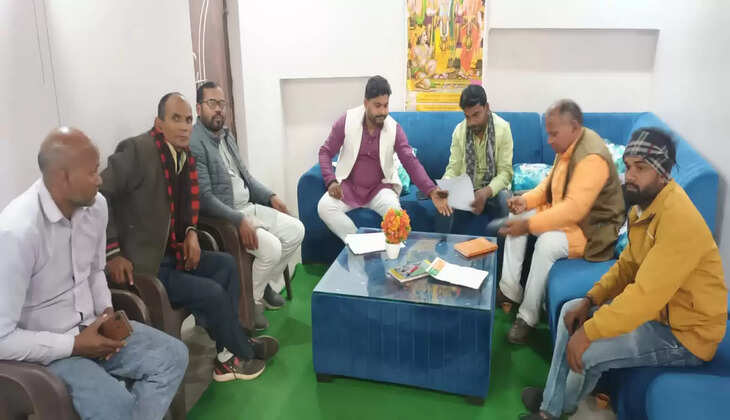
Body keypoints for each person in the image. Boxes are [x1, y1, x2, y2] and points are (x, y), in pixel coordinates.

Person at [518, 128, 727, 420]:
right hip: (659, 314)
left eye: (641, 168)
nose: (630, 176)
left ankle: (553, 411)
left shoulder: (679, 221)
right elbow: (627, 265)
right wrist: (590, 300)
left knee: (587, 350)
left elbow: (644, 297)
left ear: (663, 173)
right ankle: (554, 403)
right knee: (570, 311)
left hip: (686, 335)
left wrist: (589, 332)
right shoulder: (643, 207)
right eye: (628, 167)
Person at [0, 127, 188, 419]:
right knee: (116, 405)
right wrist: (74, 345)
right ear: (63, 178)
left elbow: (95, 271)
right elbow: (3, 338)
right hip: (48, 351)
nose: (100, 180)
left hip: (92, 328)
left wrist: (106, 314)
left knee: (172, 357)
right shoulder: (17, 231)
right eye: (92, 173)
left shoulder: (96, 207)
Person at [101, 92, 278, 382]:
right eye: (176, 119)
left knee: (226, 265)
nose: (184, 127)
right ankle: (236, 353)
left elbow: (187, 206)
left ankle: (229, 350)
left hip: (174, 255)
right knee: (212, 292)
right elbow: (100, 194)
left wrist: (191, 233)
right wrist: (113, 253)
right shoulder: (137, 150)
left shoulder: (182, 156)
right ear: (159, 123)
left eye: (187, 120)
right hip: (146, 265)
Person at [498, 99, 625, 344]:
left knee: (547, 243)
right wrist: (525, 202)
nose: (549, 140)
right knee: (518, 213)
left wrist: (530, 225)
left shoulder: (591, 158)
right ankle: (510, 290)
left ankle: (527, 318)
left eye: (553, 134)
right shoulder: (567, 146)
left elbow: (573, 210)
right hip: (567, 217)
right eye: (548, 133)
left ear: (574, 127)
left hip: (591, 230)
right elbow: (548, 185)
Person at [190, 81, 304, 331]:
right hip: (227, 218)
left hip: (249, 207)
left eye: (222, 104)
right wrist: (239, 219)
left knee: (296, 230)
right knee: (272, 248)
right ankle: (250, 303)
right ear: (199, 108)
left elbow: (247, 179)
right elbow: (205, 197)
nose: (218, 109)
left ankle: (261, 287)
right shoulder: (195, 143)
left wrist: (271, 196)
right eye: (212, 103)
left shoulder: (226, 135)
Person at [317, 75, 450, 242]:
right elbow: (325, 152)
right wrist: (331, 181)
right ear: (366, 103)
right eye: (377, 105)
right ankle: (358, 243)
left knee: (398, 220)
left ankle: (390, 253)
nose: (383, 112)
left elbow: (410, 162)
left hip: (380, 189)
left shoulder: (394, 128)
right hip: (349, 187)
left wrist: (431, 190)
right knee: (324, 207)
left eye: (386, 105)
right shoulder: (347, 121)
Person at [437, 84, 513, 235]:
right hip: (467, 190)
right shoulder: (459, 131)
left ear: (487, 108)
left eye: (476, 115)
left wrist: (485, 193)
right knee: (443, 203)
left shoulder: (503, 129)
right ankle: (445, 247)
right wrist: (445, 185)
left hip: (493, 191)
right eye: (467, 116)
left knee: (505, 200)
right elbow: (453, 168)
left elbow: (505, 173)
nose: (471, 122)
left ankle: (500, 248)